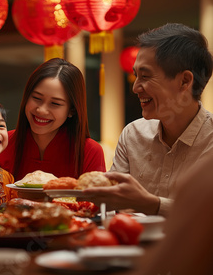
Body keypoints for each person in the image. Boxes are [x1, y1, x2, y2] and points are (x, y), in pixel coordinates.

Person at [84, 23, 213, 216]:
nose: (135, 88)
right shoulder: (133, 134)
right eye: (136, 76)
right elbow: (110, 206)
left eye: (145, 76)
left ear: (185, 81)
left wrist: (152, 204)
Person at [0, 58, 106, 181]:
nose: (42, 110)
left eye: (55, 103)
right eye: (37, 98)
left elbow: (97, 198)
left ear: (72, 110)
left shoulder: (90, 151)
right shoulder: (0, 144)